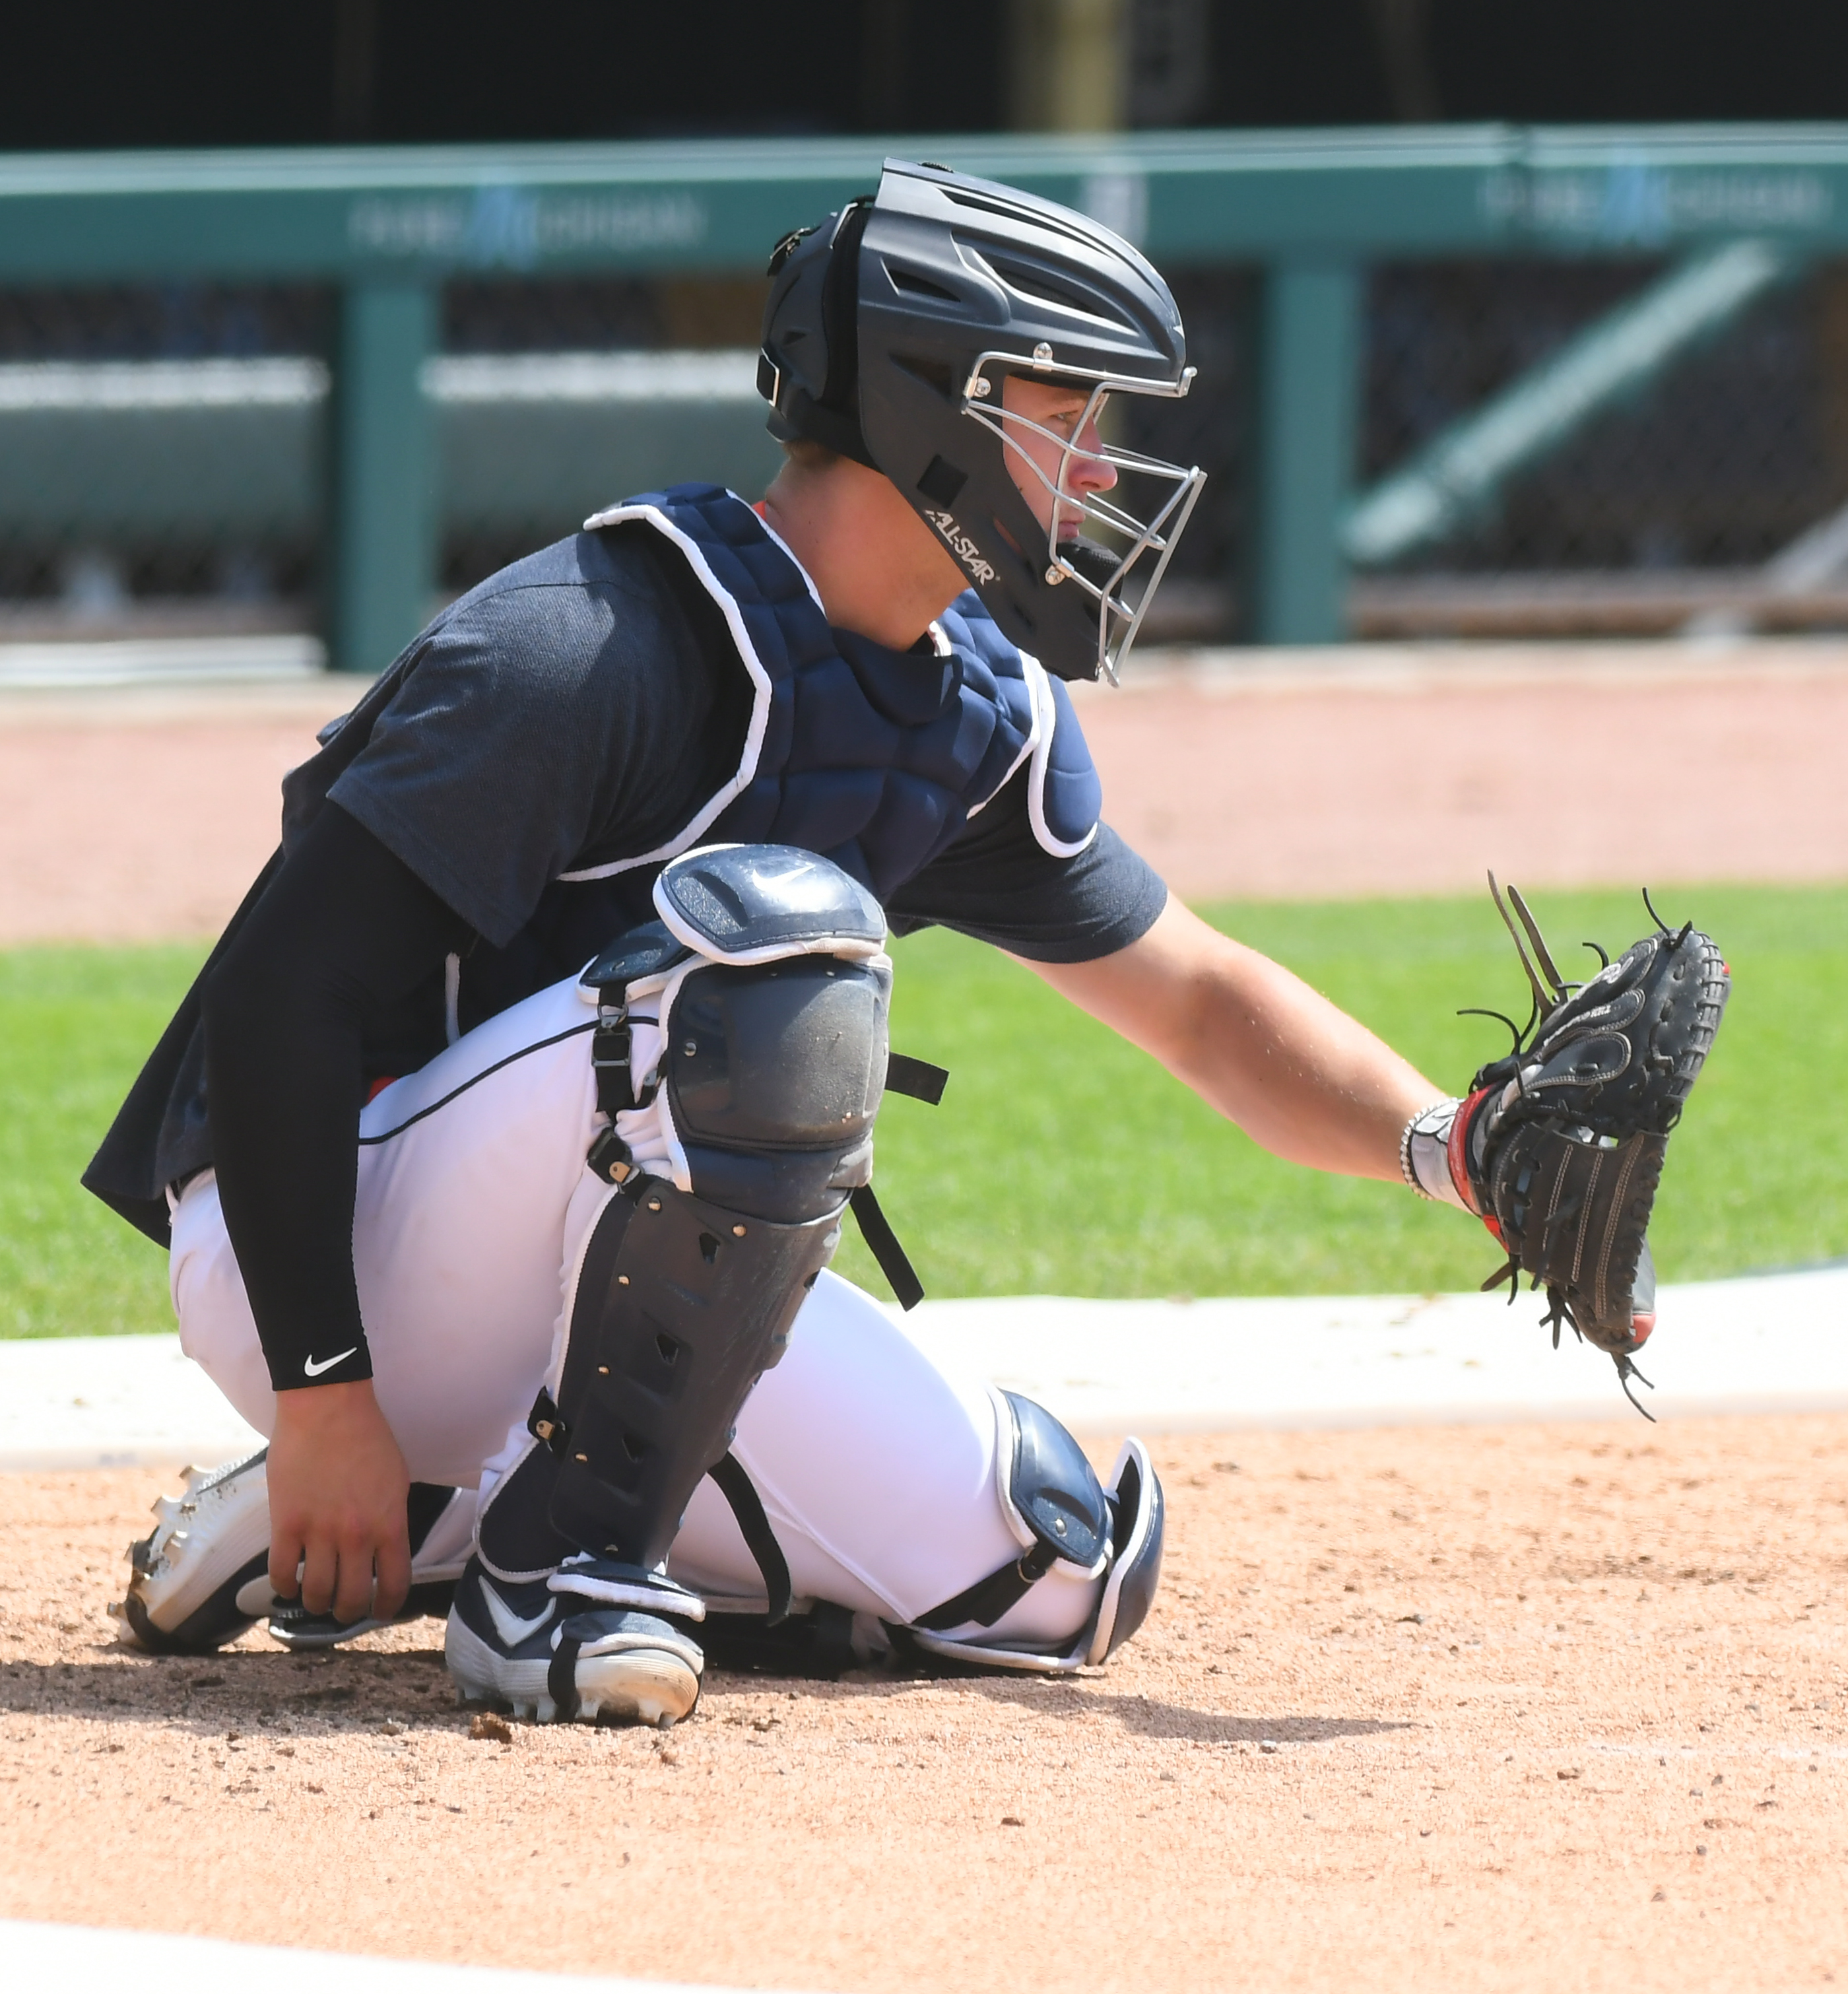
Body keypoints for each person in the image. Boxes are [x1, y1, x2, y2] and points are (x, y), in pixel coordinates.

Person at [88, 160, 1724, 1726]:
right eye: (1068, 414)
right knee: (781, 961)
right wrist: (322, 1389)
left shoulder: (972, 711)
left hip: (585, 1274)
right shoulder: (589, 640)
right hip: (329, 1239)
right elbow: (279, 996)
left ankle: (445, 1520)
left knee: (1054, 1567)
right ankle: (550, 1573)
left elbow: (1203, 1004)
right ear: (940, 408)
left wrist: (1456, 1150)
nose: (1100, 468)